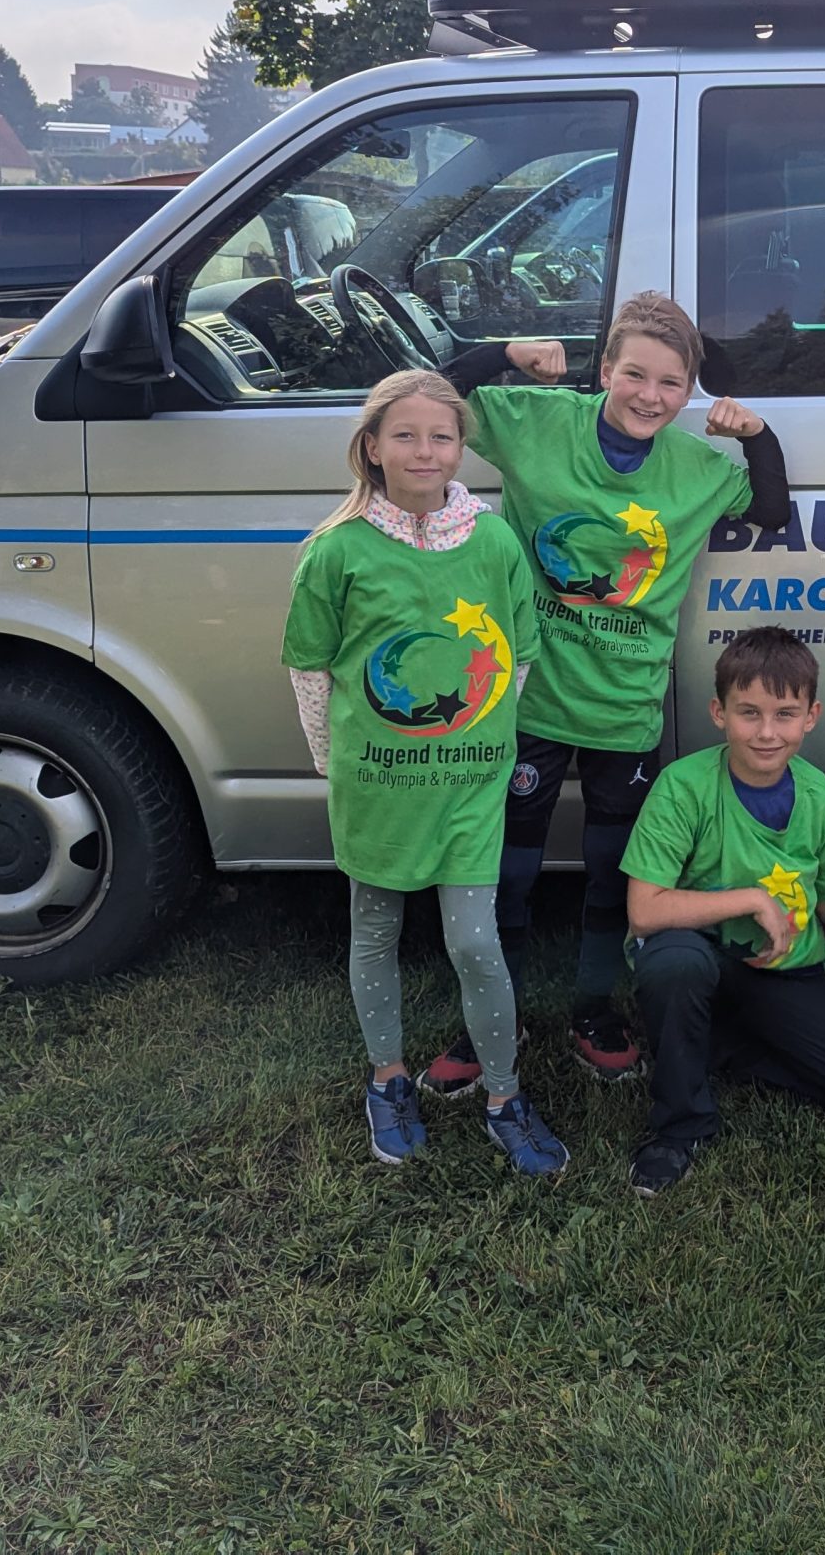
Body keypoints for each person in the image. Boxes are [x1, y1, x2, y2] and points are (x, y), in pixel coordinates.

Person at [426, 295, 793, 1093]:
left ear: (689, 390)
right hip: (526, 696)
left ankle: (594, 1008)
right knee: (506, 868)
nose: (649, 396)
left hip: (624, 707)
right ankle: (494, 1013)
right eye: (634, 375)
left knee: (612, 871)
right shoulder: (536, 422)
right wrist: (505, 352)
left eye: (671, 383)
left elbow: (771, 509)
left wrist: (756, 434)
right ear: (604, 372)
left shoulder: (697, 469)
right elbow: (431, 400)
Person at [281, 370, 566, 1175]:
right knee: (374, 931)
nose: (424, 451)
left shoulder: (495, 542)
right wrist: (335, 764)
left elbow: (518, 653)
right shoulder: (337, 550)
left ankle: (504, 1096)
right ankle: (387, 1079)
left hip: (468, 787)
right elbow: (310, 668)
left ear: (461, 448)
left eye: (441, 436)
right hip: (376, 788)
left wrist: (473, 736)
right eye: (404, 435)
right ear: (371, 447)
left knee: (475, 941)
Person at [621, 627, 825, 1197]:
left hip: (786, 972)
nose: (767, 732)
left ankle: (724, 1046)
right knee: (674, 962)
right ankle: (679, 1128)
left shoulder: (819, 799)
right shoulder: (682, 788)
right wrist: (750, 899)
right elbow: (644, 909)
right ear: (719, 713)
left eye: (785, 714)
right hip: (702, 960)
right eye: (749, 713)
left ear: (811, 717)